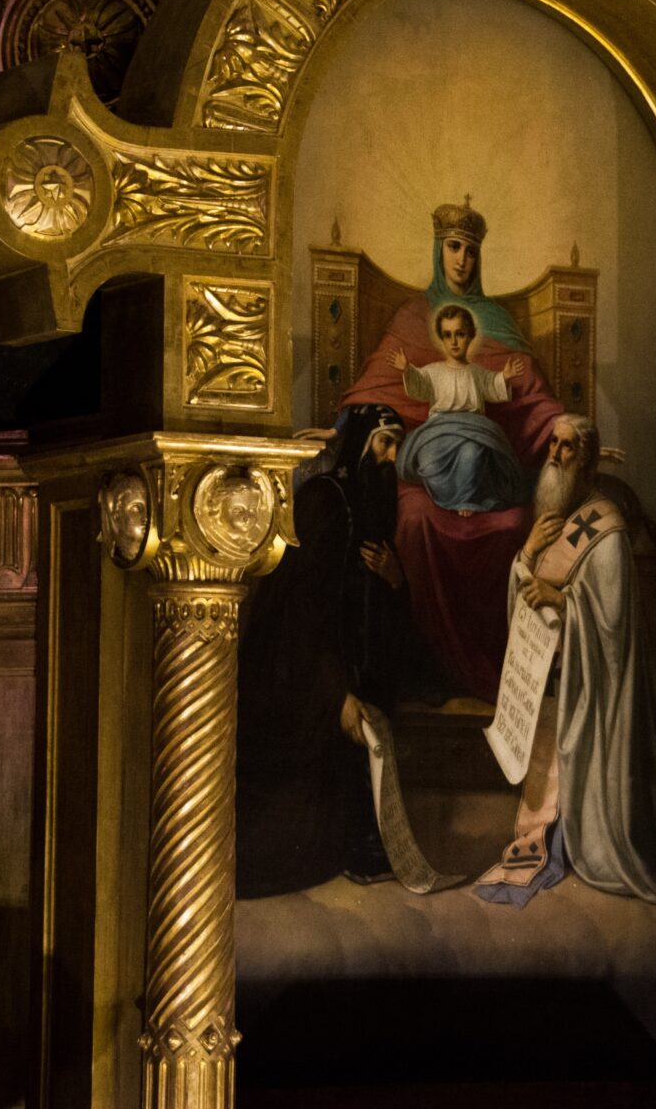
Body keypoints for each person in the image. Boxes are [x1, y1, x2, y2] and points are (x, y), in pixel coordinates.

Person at [337, 201, 564, 699]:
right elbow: (376, 391)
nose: (462, 259)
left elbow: (531, 400)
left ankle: (500, 666)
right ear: (439, 251)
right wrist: (341, 432)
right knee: (414, 518)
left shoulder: (498, 323)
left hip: (485, 473)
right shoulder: (412, 317)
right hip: (425, 473)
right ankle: (425, 664)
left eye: (470, 251)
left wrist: (564, 427)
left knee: (513, 523)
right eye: (454, 248)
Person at [235, 406, 440, 897]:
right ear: (361, 443)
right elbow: (301, 616)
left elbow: (380, 607)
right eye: (384, 443)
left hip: (355, 671)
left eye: (396, 445)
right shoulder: (324, 500)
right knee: (295, 839)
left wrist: (396, 581)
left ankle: (361, 845)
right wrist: (336, 695)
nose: (391, 457)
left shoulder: (373, 504)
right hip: (305, 674)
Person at [474, 414, 656, 907]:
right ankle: (542, 839)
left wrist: (563, 601)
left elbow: (612, 623)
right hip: (547, 676)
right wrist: (526, 554)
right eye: (552, 444)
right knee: (541, 767)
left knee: (565, 773)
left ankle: (570, 842)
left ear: (585, 460)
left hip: (586, 685)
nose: (555, 455)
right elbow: (523, 593)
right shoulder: (551, 519)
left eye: (566, 447)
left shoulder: (606, 529)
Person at [389, 304, 528, 515]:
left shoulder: (477, 372)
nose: (454, 341)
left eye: (460, 334)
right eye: (448, 335)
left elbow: (493, 386)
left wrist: (505, 377)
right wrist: (407, 370)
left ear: (470, 336)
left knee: (471, 455)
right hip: (438, 431)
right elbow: (419, 384)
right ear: (441, 339)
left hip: (472, 429)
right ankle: (449, 496)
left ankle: (467, 499)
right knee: (428, 462)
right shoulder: (433, 371)